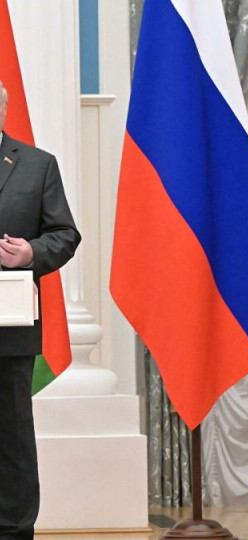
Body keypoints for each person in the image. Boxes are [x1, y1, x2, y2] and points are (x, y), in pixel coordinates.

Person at [0, 80, 80, 540]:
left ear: (3, 109)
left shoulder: (36, 165)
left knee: (11, 440)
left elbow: (65, 234)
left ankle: (14, 529)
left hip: (8, 332)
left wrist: (30, 253)